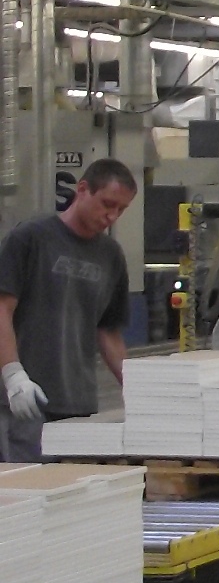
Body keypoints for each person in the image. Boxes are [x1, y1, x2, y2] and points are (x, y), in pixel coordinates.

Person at [0, 158, 136, 461]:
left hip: (79, 403)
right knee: (30, 484)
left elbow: (108, 331)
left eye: (121, 210)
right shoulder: (30, 238)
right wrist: (13, 376)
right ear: (83, 189)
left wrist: (136, 388)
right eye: (107, 204)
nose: (112, 216)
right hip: (27, 401)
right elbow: (2, 309)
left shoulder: (111, 255)